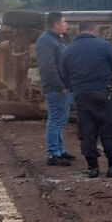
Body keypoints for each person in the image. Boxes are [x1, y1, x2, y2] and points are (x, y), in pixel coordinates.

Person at [60, 21, 112, 179]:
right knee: (108, 127)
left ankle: (92, 168)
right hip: (103, 92)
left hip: (81, 95)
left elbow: (63, 75)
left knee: (87, 130)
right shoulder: (103, 45)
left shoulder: (68, 50)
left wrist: (74, 88)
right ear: (93, 30)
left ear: (79, 31)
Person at [35, 11, 74, 167]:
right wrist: (60, 86)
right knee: (55, 120)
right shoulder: (46, 41)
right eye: (64, 22)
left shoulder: (57, 39)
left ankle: (60, 150)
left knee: (61, 120)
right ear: (56, 24)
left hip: (64, 86)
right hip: (57, 88)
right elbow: (48, 67)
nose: (66, 25)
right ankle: (53, 154)